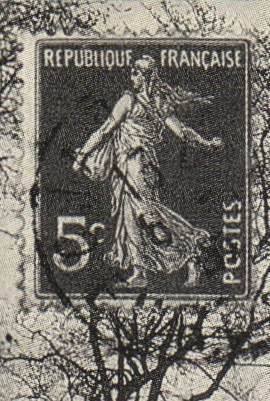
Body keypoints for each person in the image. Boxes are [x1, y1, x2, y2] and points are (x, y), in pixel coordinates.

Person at [70, 53, 224, 289]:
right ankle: (140, 270)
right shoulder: (159, 104)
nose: (132, 77)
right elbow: (182, 132)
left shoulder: (129, 100)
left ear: (145, 76)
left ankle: (192, 248)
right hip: (134, 165)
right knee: (130, 216)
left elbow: (104, 131)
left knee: (146, 214)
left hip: (135, 163)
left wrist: (82, 155)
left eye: (135, 73)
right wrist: (206, 143)